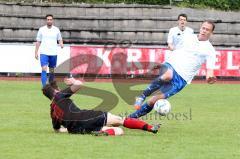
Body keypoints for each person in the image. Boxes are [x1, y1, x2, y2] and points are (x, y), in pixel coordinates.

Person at [129, 20, 217, 118]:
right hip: (171, 65)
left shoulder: (210, 51)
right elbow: (175, 51)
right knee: (168, 75)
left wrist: (210, 78)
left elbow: (210, 71)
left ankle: (130, 118)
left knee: (153, 100)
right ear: (200, 28)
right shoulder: (188, 37)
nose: (204, 31)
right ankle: (142, 95)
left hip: (181, 79)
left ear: (211, 33)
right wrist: (162, 63)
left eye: (207, 30)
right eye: (203, 28)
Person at [42, 77, 160, 136]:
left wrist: (69, 128)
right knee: (120, 121)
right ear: (56, 90)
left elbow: (57, 130)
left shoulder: (52, 112)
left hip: (77, 130)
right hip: (87, 117)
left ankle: (102, 132)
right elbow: (79, 84)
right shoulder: (60, 95)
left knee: (119, 131)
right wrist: (73, 81)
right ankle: (150, 128)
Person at [35, 14, 64, 87]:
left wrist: (61, 44)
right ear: (46, 20)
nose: (49, 21)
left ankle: (51, 85)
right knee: (44, 68)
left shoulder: (56, 29)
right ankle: (44, 86)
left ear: (52, 20)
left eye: (50, 19)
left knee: (51, 70)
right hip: (44, 52)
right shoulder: (41, 29)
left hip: (53, 53)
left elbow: (59, 39)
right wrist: (36, 52)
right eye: (48, 19)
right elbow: (38, 41)